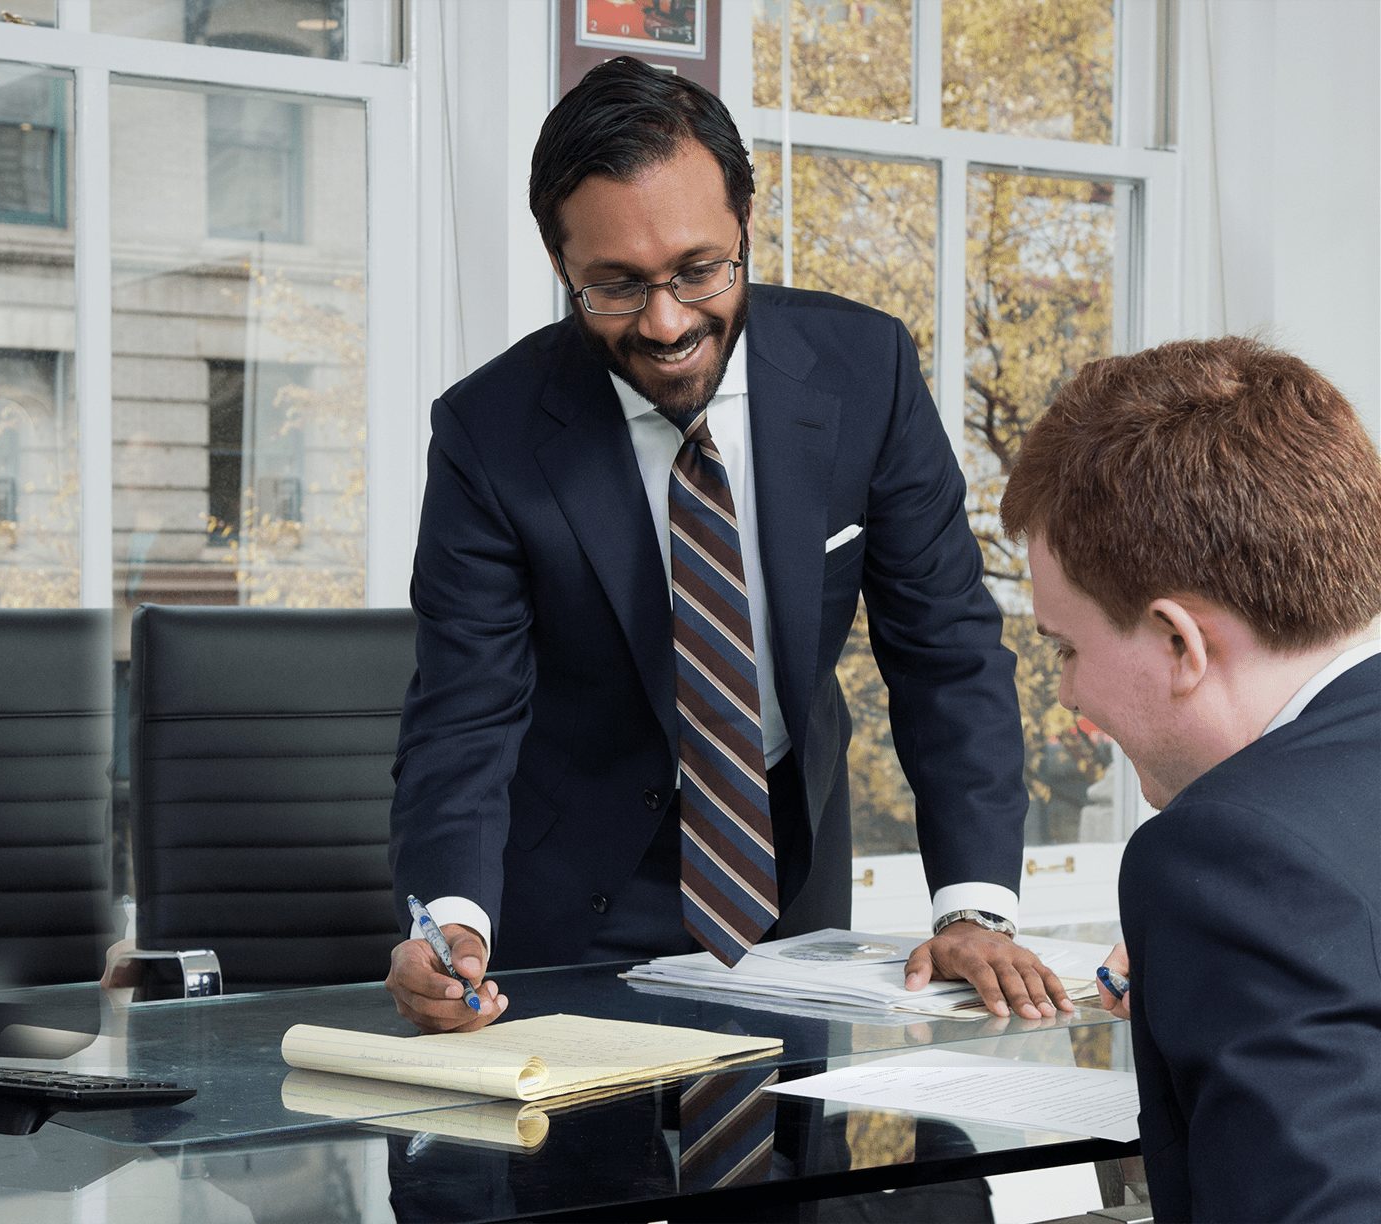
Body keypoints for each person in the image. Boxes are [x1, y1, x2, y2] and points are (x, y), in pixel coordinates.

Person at [385, 56, 1071, 1035]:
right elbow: (464, 711)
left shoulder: (865, 374)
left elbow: (946, 651)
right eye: (614, 287)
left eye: (698, 271)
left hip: (786, 895)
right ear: (561, 266)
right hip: (563, 907)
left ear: (746, 228)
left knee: (790, 1180)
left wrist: (970, 907)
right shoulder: (487, 435)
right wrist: (447, 919)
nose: (666, 324)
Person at [1000, 336, 1381, 1221]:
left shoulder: (1227, 853)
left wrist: (1236, 915)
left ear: (1181, 643)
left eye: (1066, 647)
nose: (1065, 692)